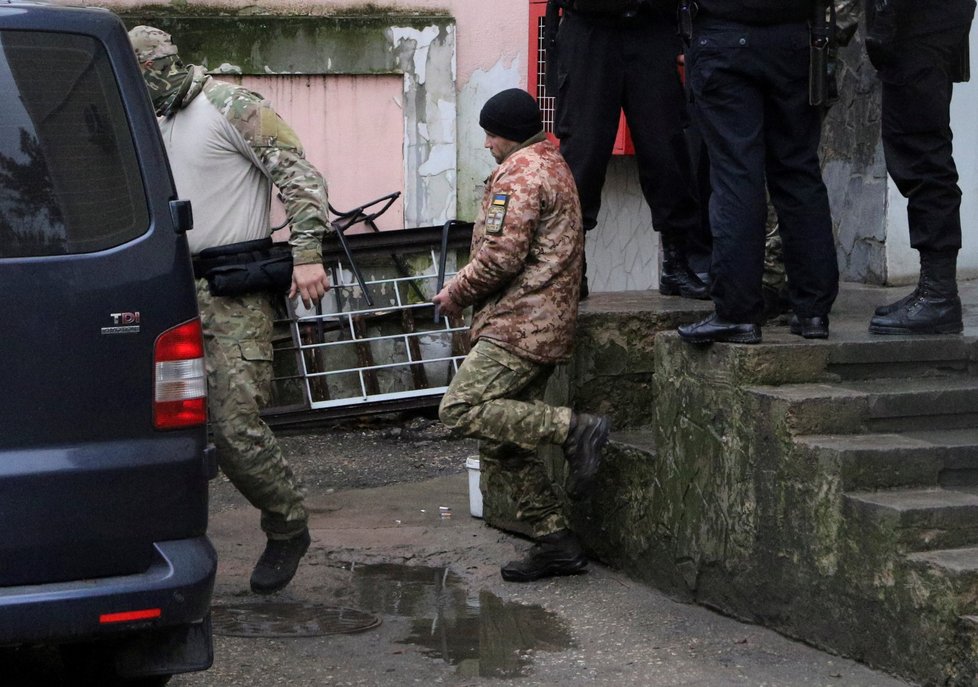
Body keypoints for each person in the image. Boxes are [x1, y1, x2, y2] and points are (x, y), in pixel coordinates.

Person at [129, 26, 332, 594]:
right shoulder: (151, 118)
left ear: (162, 66)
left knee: (236, 427)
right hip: (167, 288)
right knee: (153, 425)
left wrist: (307, 254)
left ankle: (287, 523)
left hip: (231, 290)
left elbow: (299, 174)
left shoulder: (229, 104)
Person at [434, 88, 611, 583]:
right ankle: (557, 542)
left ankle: (574, 429)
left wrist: (456, 293)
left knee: (460, 408)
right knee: (503, 444)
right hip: (543, 323)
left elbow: (500, 257)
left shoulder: (521, 173)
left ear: (505, 133)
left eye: (490, 134)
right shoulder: (552, 163)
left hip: (520, 324)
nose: (488, 144)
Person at [677, 0, 840, 344]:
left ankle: (737, 313)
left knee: (737, 175)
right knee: (798, 170)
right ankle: (812, 311)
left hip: (721, 37)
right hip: (795, 38)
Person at [550, 0, 707, 301]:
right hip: (588, 26)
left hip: (651, 24)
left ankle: (676, 261)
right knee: (584, 151)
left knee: (667, 148)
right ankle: (572, 267)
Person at [864, 0, 976, 335]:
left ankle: (938, 294)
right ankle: (935, 290)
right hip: (919, 28)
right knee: (919, 151)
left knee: (922, 153)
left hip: (920, 27)